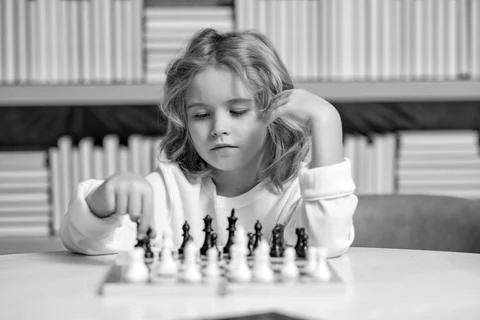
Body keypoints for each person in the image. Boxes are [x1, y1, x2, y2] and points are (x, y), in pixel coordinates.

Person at [60, 28, 357, 258]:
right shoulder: (171, 189)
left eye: (238, 111)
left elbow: (326, 245)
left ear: (276, 109)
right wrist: (103, 199)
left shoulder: (296, 191)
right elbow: (81, 241)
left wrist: (327, 122)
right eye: (201, 115)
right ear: (184, 121)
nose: (218, 129)